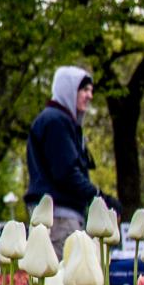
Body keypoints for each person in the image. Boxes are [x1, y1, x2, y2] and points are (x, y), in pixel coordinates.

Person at [26, 66, 105, 233]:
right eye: (84, 90)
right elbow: (66, 173)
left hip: (64, 214)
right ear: (68, 89)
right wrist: (98, 195)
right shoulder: (55, 122)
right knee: (61, 259)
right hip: (58, 217)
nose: (90, 96)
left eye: (91, 91)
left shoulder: (63, 122)